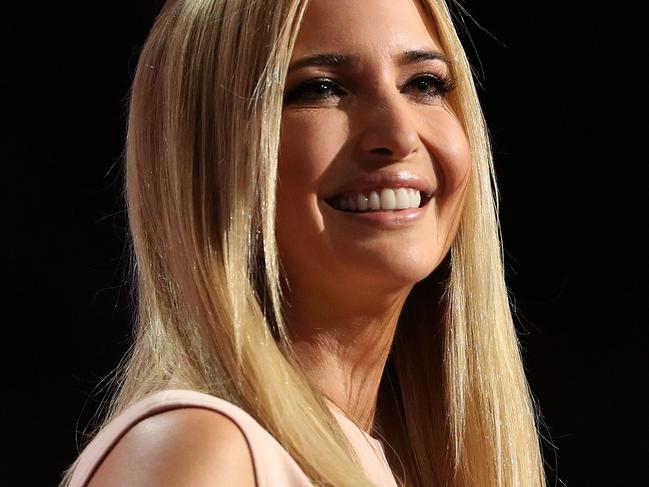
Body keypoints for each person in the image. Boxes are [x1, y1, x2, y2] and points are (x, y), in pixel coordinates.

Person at [61, 0, 548, 485]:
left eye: (424, 84)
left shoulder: (399, 464)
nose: (398, 134)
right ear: (208, 155)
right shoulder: (204, 448)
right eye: (322, 87)